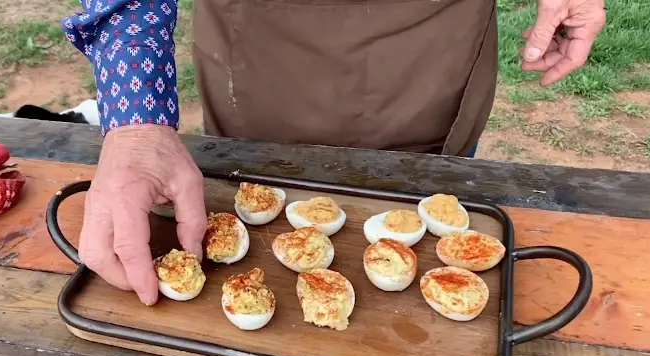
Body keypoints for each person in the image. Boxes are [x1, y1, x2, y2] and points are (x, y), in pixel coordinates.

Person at [61, 0, 605, 305]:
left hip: (431, 48)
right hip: (262, 47)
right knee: (255, 178)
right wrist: (136, 124)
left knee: (430, 203)